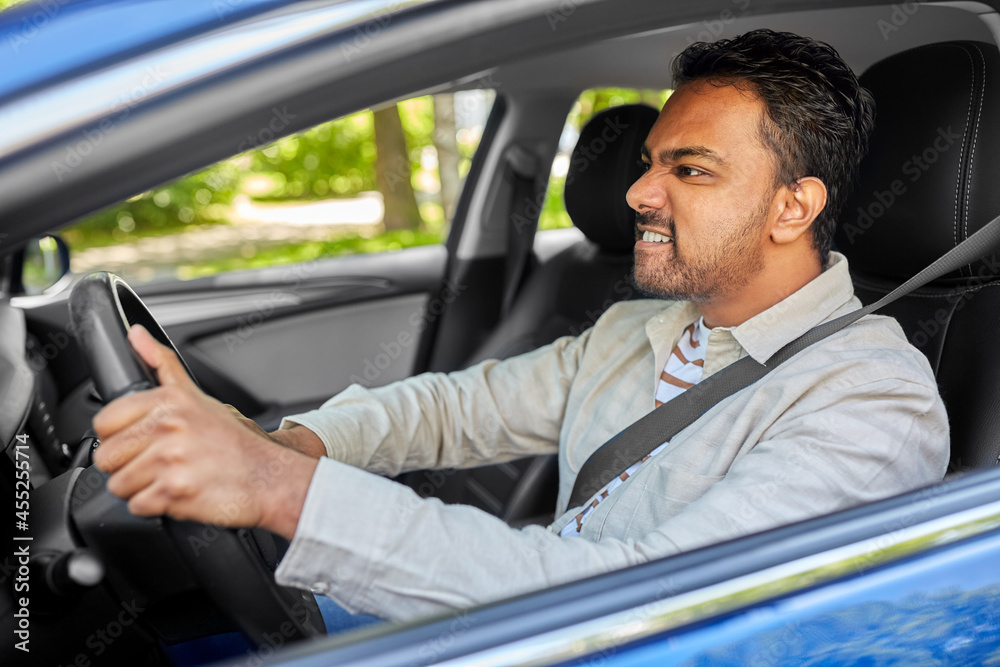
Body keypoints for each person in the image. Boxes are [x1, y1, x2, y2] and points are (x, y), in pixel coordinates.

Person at [92, 29, 949, 625]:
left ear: (793, 207)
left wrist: (278, 492)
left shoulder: (871, 401)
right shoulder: (634, 332)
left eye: (689, 169)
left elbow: (644, 606)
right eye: (650, 164)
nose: (640, 194)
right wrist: (289, 445)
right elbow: (453, 410)